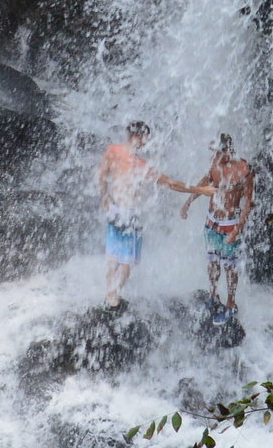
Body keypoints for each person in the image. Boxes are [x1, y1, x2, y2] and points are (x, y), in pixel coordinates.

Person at [96, 121, 192, 309]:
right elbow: (169, 182)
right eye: (145, 137)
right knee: (126, 263)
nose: (146, 142)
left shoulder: (112, 151)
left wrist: (104, 196)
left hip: (114, 210)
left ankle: (109, 293)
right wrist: (198, 190)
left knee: (113, 256)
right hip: (129, 215)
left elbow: (102, 175)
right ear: (137, 136)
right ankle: (114, 297)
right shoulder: (140, 164)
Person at [181, 133, 256, 312]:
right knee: (212, 262)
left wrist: (237, 230)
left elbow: (248, 202)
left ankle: (231, 303)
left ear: (227, 151)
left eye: (216, 152)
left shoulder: (244, 170)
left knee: (230, 265)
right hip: (212, 221)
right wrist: (188, 202)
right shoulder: (215, 164)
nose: (213, 156)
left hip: (231, 222)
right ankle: (213, 295)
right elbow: (205, 182)